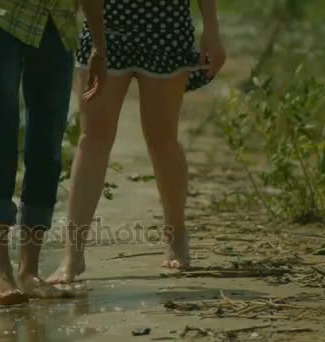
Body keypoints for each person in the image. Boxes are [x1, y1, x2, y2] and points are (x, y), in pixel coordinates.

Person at [47, 0, 226, 284]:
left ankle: (176, 234)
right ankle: (72, 254)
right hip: (103, 27)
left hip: (166, 25)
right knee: (92, 139)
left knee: (162, 138)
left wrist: (212, 29)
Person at [0, 0, 107, 305]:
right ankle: (0, 270)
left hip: (57, 26)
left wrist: (99, 43)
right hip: (1, 16)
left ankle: (29, 271)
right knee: (0, 138)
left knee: (46, 148)